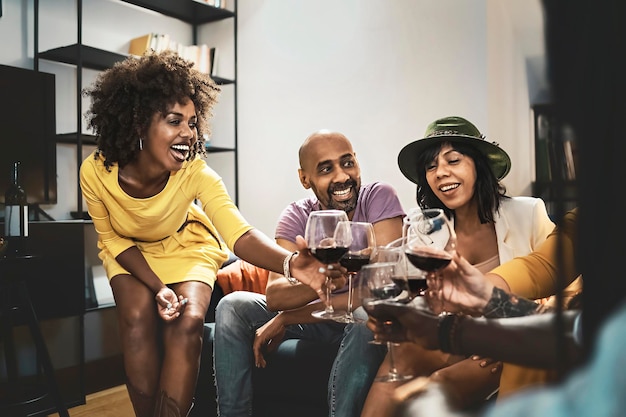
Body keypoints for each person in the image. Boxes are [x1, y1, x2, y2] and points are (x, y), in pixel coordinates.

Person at [79, 51, 334, 417]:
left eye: (193, 122)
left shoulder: (195, 172)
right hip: (129, 250)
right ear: (138, 125)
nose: (188, 133)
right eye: (174, 121)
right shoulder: (96, 171)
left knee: (189, 322)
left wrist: (291, 263)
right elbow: (113, 239)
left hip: (186, 245)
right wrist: (158, 287)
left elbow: (238, 233)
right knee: (136, 320)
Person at [361, 116, 555, 416]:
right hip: (450, 335)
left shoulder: (527, 213)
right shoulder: (426, 230)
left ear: (478, 165)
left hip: (505, 341)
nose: (441, 173)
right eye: (431, 166)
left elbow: (569, 280)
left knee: (441, 384)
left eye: (454, 160)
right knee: (394, 366)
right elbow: (416, 296)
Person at [212, 130, 406, 417]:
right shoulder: (296, 216)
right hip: (318, 319)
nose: (341, 177)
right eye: (326, 169)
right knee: (232, 305)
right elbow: (275, 295)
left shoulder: (379, 197)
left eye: (347, 163)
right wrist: (319, 279)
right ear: (305, 179)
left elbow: (380, 290)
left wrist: (289, 317)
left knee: (368, 314)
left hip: (357, 320)